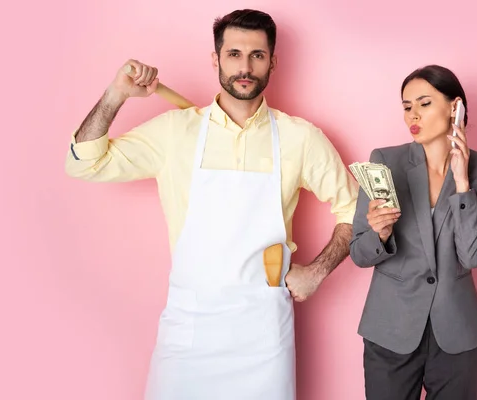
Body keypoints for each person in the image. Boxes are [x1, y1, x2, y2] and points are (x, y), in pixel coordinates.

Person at [64, 9, 358, 400]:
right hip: (188, 334)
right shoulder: (175, 132)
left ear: (273, 61)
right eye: (234, 54)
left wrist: (319, 270)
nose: (245, 67)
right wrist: (116, 94)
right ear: (216, 59)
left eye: (257, 55)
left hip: (264, 336)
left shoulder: (299, 138)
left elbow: (355, 209)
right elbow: (84, 163)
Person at [349, 65, 477, 400]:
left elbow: (474, 255)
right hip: (391, 329)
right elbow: (359, 252)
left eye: (424, 103)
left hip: (458, 334)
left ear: (454, 108)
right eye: (406, 106)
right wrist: (379, 234)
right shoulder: (385, 161)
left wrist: (462, 183)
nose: (412, 115)